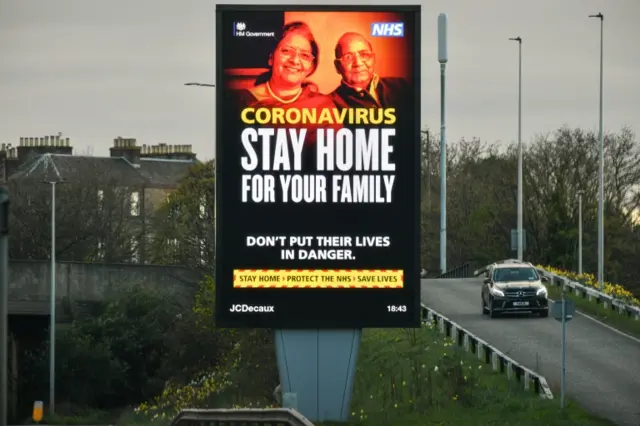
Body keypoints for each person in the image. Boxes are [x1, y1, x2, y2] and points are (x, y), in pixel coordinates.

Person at [230, 21, 341, 150]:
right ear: (271, 58)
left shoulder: (323, 105)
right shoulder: (239, 101)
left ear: (311, 66)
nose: (295, 60)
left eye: (305, 55)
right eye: (287, 51)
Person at [330, 32, 410, 109]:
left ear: (373, 59)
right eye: (348, 57)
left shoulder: (403, 86)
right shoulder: (329, 104)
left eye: (364, 54)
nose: (358, 63)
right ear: (337, 66)